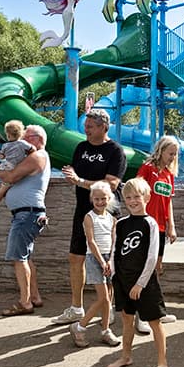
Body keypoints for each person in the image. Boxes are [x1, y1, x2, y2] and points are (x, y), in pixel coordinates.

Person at [53, 109, 129, 327]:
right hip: (83, 212)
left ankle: (108, 308)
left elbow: (111, 184)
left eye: (90, 126)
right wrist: (73, 178)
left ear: (104, 127)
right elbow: (78, 175)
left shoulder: (115, 151)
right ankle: (76, 308)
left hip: (106, 215)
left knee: (107, 260)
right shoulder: (81, 148)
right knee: (76, 257)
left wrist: (79, 180)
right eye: (85, 126)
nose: (86, 130)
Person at [106, 178, 169, 367]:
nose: (133, 200)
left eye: (137, 196)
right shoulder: (121, 224)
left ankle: (162, 363)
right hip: (123, 281)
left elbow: (151, 257)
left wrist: (140, 283)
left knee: (154, 322)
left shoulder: (150, 223)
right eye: (128, 197)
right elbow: (115, 251)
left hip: (144, 283)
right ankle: (126, 356)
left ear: (147, 198)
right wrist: (113, 273)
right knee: (126, 320)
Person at [0, 124, 50, 317]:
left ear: (37, 139)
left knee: (19, 259)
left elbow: (10, 176)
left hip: (27, 214)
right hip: (28, 214)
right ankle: (34, 297)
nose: (20, 141)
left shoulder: (37, 156)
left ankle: (25, 302)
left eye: (25, 137)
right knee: (25, 257)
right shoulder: (35, 156)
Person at [65, 181, 121, 348]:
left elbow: (114, 241)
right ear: (92, 199)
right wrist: (102, 261)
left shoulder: (112, 219)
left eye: (103, 198)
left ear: (109, 198)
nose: (100, 202)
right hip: (95, 259)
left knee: (108, 298)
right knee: (103, 298)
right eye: (96, 199)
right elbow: (91, 241)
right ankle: (80, 326)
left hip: (108, 259)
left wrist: (110, 260)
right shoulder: (89, 217)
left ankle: (105, 330)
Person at [136, 135, 180, 324]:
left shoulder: (169, 174)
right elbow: (135, 190)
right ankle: (141, 311)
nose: (172, 157)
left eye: (175, 154)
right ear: (160, 151)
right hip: (146, 224)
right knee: (143, 267)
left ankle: (154, 309)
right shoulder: (148, 168)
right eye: (170, 153)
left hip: (160, 227)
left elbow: (168, 200)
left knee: (156, 267)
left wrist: (171, 225)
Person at [0, 120, 36, 217]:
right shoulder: (23, 144)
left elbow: (1, 157)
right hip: (13, 168)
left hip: (5, 166)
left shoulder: (5, 145)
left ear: (7, 135)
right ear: (21, 133)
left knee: (4, 187)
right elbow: (33, 149)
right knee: (7, 186)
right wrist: (27, 155)